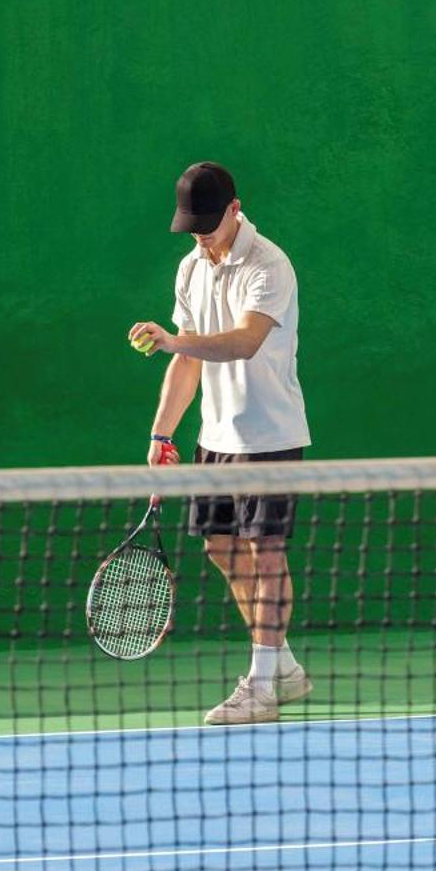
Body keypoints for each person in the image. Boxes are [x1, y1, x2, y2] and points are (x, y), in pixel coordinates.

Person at [130, 161, 314, 726]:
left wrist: (171, 340)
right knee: (221, 549)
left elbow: (244, 342)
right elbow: (187, 361)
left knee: (267, 551)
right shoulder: (190, 269)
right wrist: (163, 432)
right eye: (193, 227)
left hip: (271, 435)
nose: (201, 236)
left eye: (208, 225)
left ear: (235, 209)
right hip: (216, 436)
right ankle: (280, 664)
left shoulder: (270, 265)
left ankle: (260, 686)